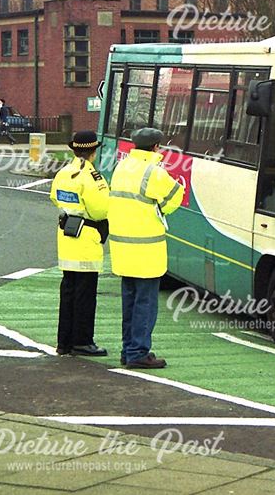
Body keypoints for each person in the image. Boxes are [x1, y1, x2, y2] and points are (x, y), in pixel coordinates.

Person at [108, 127, 184, 369]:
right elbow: (176, 196)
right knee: (145, 305)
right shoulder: (154, 172)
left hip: (122, 249)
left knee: (129, 303)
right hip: (147, 251)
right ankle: (138, 352)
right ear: (155, 147)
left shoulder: (121, 167)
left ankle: (128, 349)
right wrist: (161, 210)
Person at [49, 131, 110, 356]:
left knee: (68, 291)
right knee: (85, 294)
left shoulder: (64, 172)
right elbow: (101, 210)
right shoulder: (92, 177)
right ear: (93, 151)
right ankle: (83, 341)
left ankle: (63, 342)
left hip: (67, 235)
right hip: (86, 239)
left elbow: (54, 197)